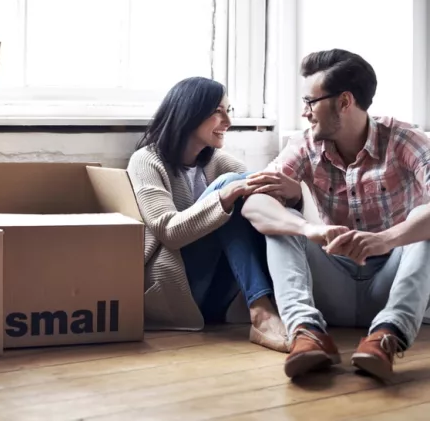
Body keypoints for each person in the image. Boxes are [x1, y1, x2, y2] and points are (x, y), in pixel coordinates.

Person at [242, 48, 430, 380]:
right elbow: (253, 205)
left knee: (424, 228)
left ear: (344, 102)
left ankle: (386, 337)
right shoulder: (304, 145)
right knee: (281, 224)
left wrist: (386, 239)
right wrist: (307, 230)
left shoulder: (404, 140)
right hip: (332, 283)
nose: (305, 113)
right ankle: (307, 333)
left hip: (393, 281)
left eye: (311, 102)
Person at [126, 76, 289, 353]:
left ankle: (285, 305)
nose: (228, 122)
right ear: (189, 113)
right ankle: (262, 313)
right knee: (230, 189)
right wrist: (224, 196)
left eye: (229, 110)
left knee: (246, 188)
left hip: (219, 292)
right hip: (178, 290)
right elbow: (169, 232)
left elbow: (254, 187)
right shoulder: (146, 160)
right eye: (218, 111)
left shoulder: (216, 161)